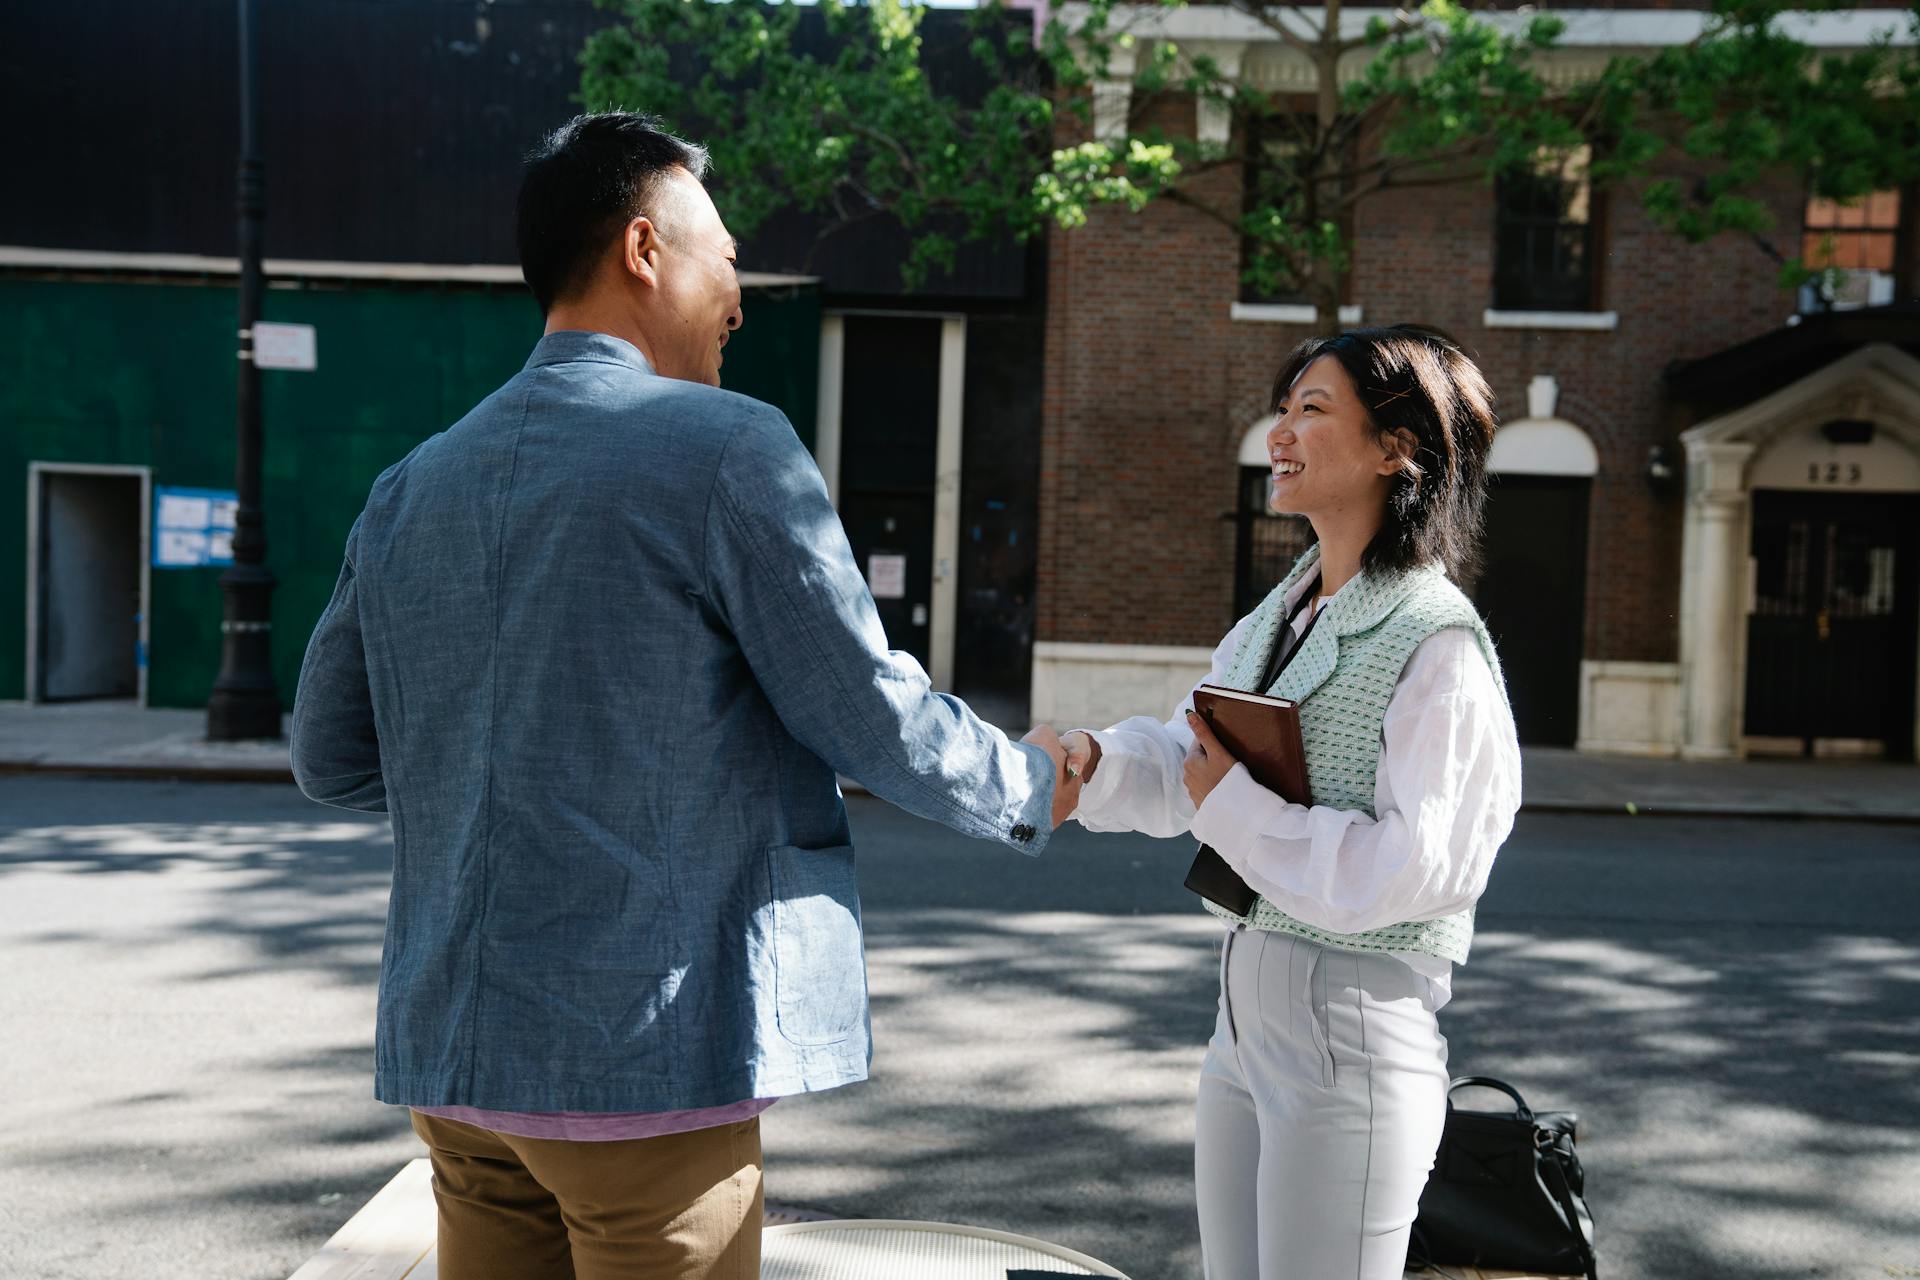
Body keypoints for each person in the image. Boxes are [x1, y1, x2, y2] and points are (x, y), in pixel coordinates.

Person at [289, 112, 1078, 1280]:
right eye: (730, 262)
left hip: (457, 1057)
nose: (742, 299)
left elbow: (330, 754)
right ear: (644, 250)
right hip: (644, 1067)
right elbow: (863, 705)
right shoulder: (724, 447)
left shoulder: (414, 483)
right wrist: (1034, 775)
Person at [1060, 325, 1522, 1279]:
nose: (1280, 432)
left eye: (1311, 409)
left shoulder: (1439, 644)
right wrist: (1088, 761)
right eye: (1283, 408)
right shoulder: (1284, 613)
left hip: (1351, 1037)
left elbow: (1413, 871)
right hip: (1244, 1025)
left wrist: (1232, 805)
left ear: (1398, 450)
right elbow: (1194, 753)